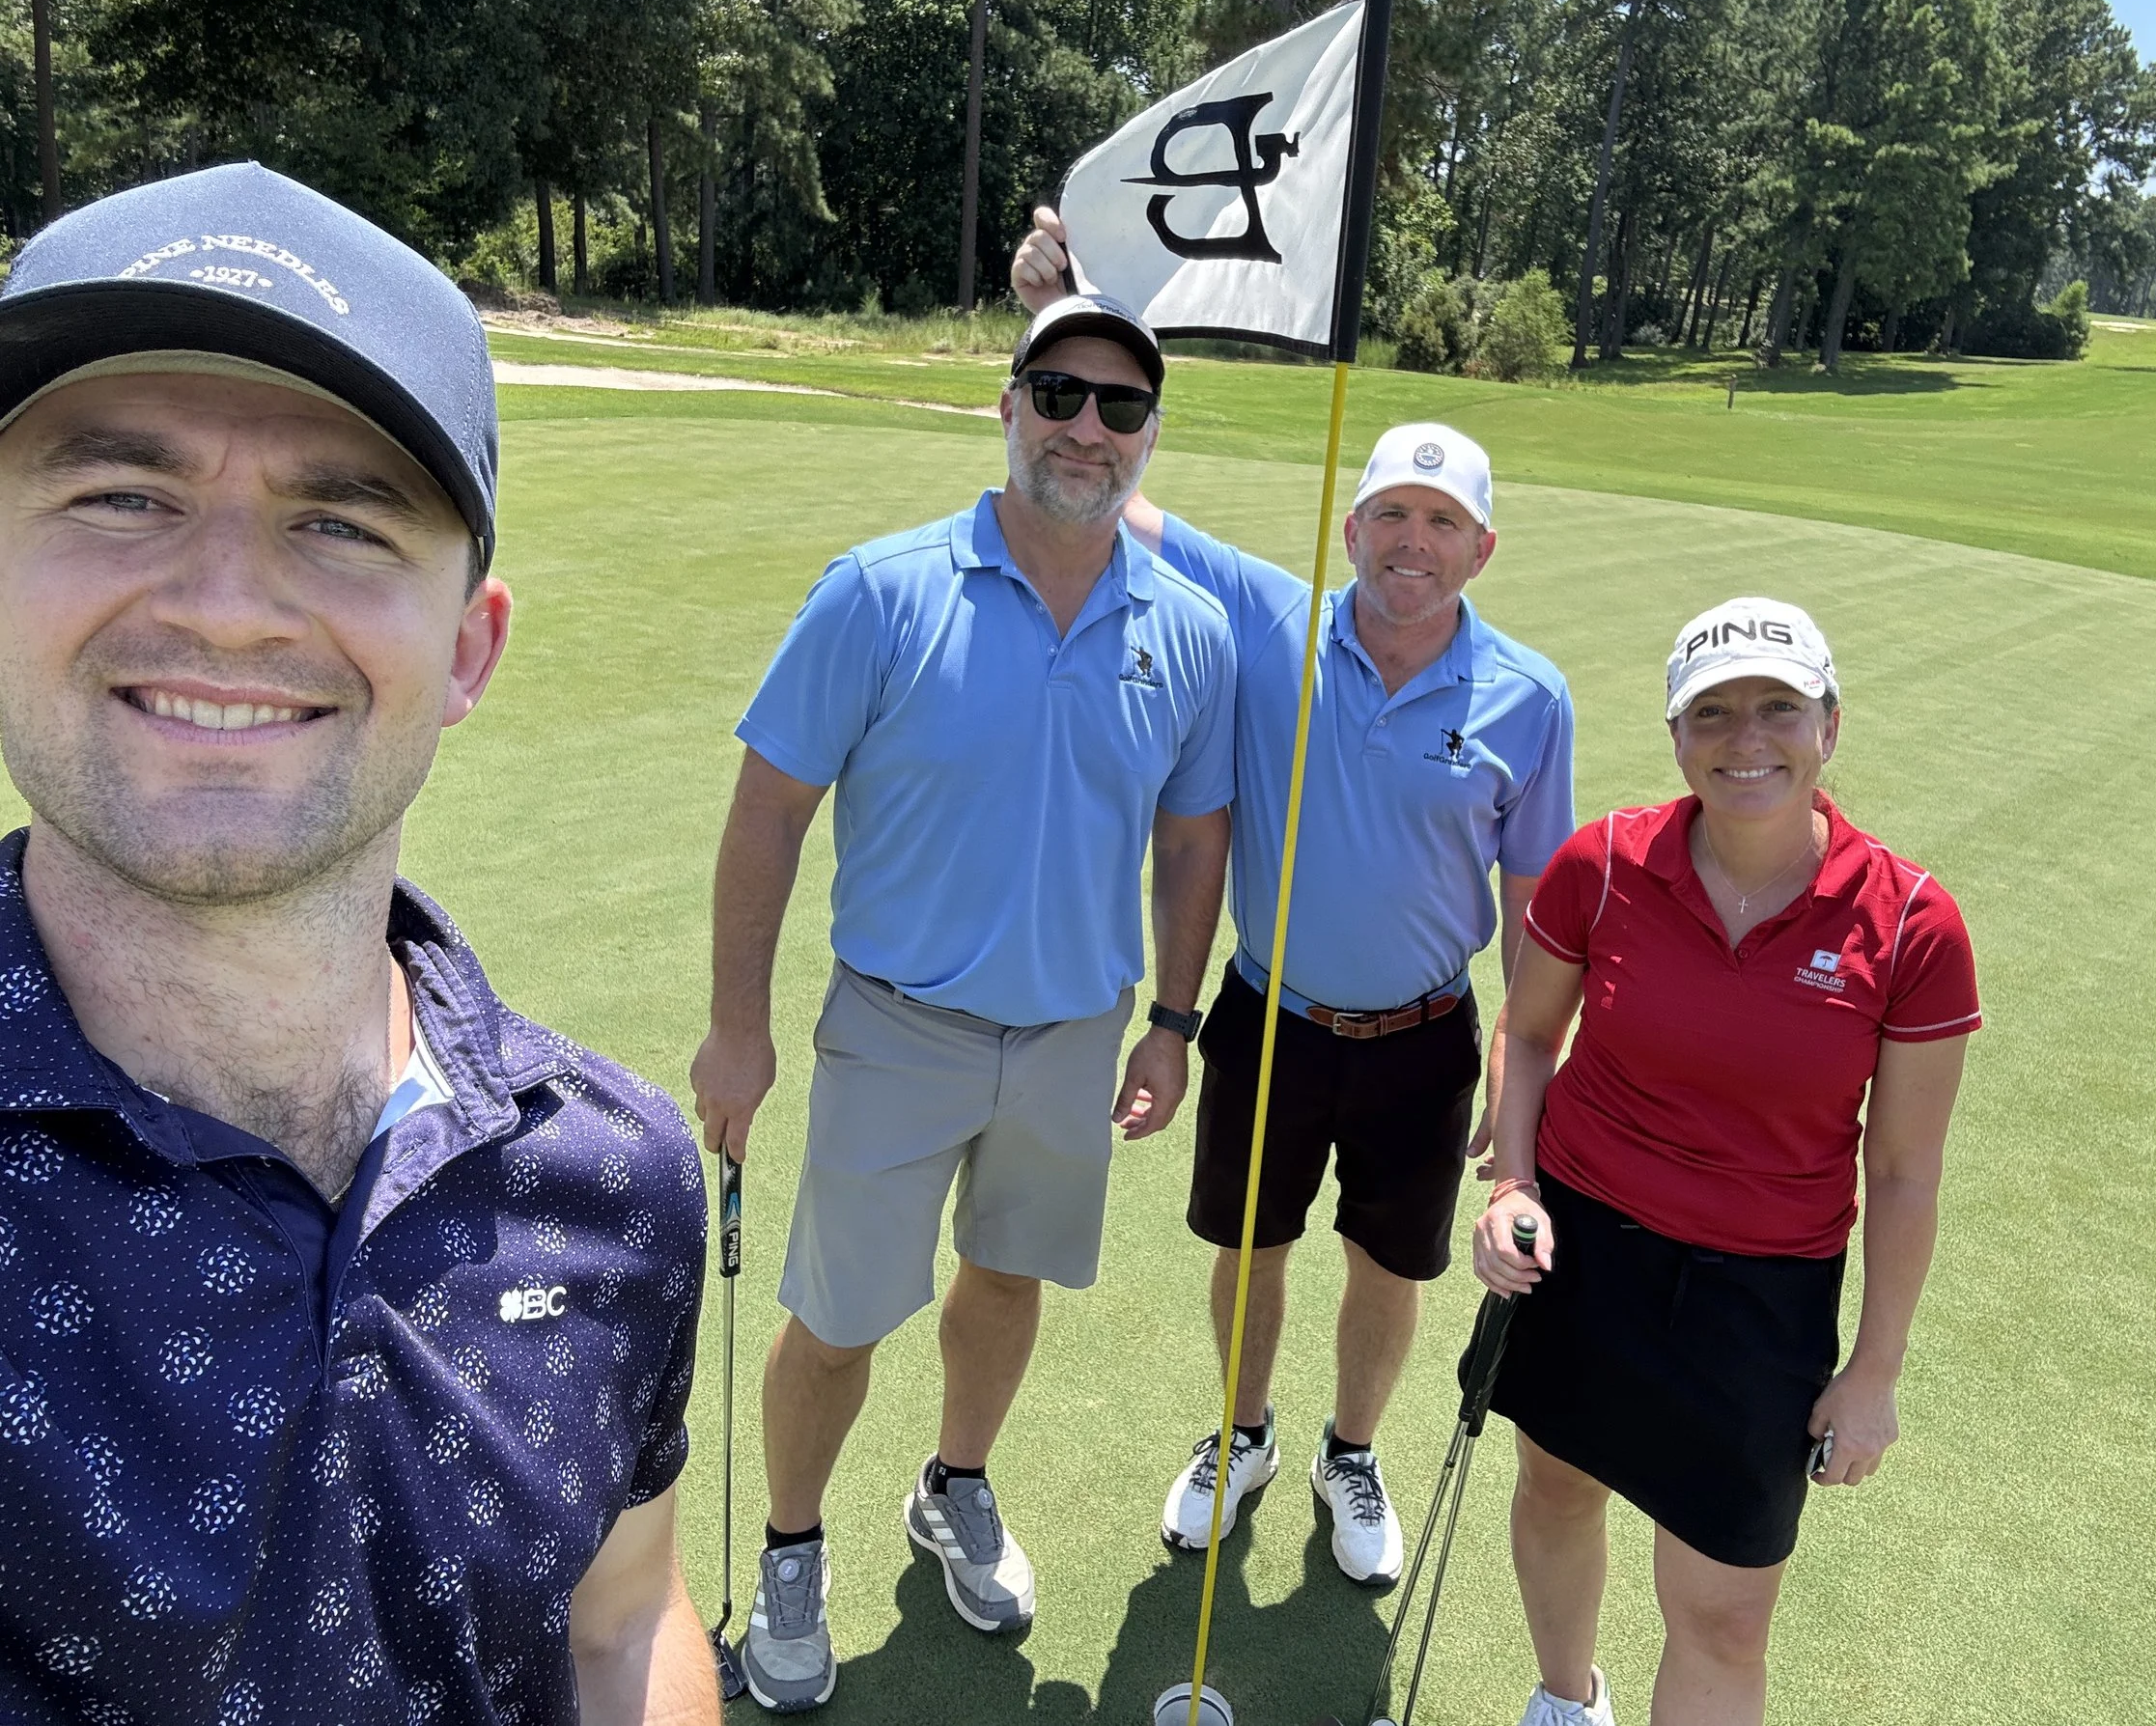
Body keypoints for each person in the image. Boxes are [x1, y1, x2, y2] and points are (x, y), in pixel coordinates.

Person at [0, 163, 715, 1723]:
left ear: (466, 649)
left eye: (339, 519)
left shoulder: (616, 1176)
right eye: (120, 495)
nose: (227, 606)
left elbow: (623, 1621)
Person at [1009, 215, 1577, 1588]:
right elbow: (1093, 482)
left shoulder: (1530, 697)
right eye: (1391, 516)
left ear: (1481, 548)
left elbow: (1541, 923)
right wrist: (1057, 313)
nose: (1411, 544)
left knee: (1390, 1266)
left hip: (1427, 1039)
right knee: (1250, 1247)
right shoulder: (1270, 619)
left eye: (1442, 524)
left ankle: (1350, 1450)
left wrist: (1523, 1097)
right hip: (1268, 1019)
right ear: (1352, 524)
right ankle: (1243, 1430)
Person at [688, 292, 1236, 1711]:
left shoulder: (1187, 629)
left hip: (1072, 1036)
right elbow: (769, 810)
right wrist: (738, 1026)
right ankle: (792, 1548)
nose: (1087, 427)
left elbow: (1193, 841)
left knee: (1007, 1277)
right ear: (1007, 406)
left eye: (1121, 405)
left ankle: (955, 1485)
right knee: (838, 1316)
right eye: (1059, 393)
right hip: (897, 1028)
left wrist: (1172, 1022)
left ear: (1149, 435)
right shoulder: (881, 591)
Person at [1470, 598, 1981, 1726]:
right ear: (1675, 736)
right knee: (1556, 1489)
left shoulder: (1910, 923)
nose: (1745, 738)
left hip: (1762, 1298)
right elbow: (1528, 1034)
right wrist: (1511, 1182)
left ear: (1828, 726)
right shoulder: (1603, 863)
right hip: (1585, 1250)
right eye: (1712, 712)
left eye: (1777, 708)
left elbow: (1903, 1171)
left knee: (1725, 1616)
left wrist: (1875, 1372)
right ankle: (1565, 1701)